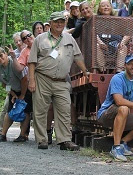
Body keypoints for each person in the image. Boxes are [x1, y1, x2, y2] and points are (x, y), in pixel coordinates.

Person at [28, 11, 88, 150]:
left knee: (64, 109)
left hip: (62, 80)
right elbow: (31, 62)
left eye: (62, 21)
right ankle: (42, 139)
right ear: (50, 24)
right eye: (56, 21)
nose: (59, 24)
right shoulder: (40, 39)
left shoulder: (69, 38)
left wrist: (86, 71)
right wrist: (31, 81)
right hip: (43, 78)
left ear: (65, 23)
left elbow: (78, 57)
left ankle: (65, 140)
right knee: (40, 110)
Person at [0, 47, 32, 143]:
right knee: (9, 111)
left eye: (1, 55)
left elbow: (25, 79)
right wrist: (13, 94)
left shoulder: (14, 64)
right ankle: (3, 134)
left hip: (25, 89)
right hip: (13, 91)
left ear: (5, 54)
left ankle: (22, 135)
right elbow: (4, 84)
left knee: (25, 111)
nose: (0, 59)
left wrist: (22, 95)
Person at [96, 0, 128, 72]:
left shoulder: (118, 20)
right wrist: (100, 42)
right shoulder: (96, 20)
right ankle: (103, 71)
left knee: (124, 47)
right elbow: (92, 33)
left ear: (111, 8)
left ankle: (118, 72)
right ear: (99, 9)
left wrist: (122, 42)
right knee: (96, 46)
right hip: (102, 48)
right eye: (103, 6)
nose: (106, 7)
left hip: (116, 48)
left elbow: (128, 33)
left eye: (108, 5)